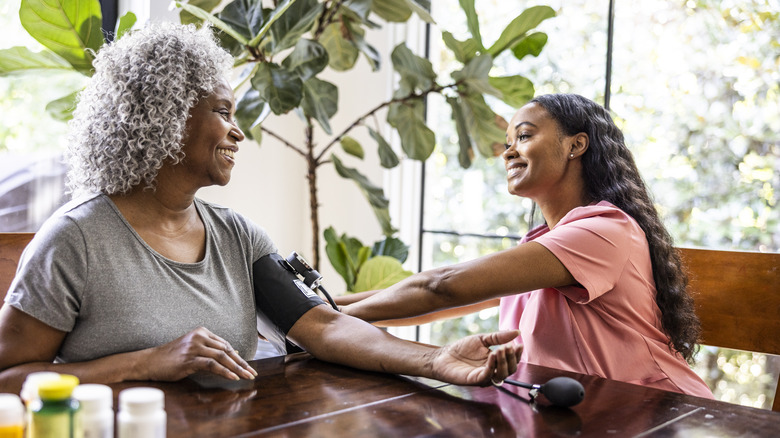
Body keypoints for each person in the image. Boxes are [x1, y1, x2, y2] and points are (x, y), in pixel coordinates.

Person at [0, 23, 522, 394]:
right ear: (165, 115)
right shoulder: (74, 239)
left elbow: (325, 326)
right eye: (222, 112)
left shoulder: (237, 235)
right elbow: (9, 382)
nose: (237, 129)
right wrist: (146, 362)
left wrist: (438, 360)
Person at [339, 93, 714, 398]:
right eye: (507, 143)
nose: (508, 152)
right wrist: (325, 308)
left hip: (662, 412)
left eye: (524, 136)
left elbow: (443, 286)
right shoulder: (544, 244)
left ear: (576, 145)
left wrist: (317, 319)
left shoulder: (604, 231)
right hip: (585, 414)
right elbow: (436, 303)